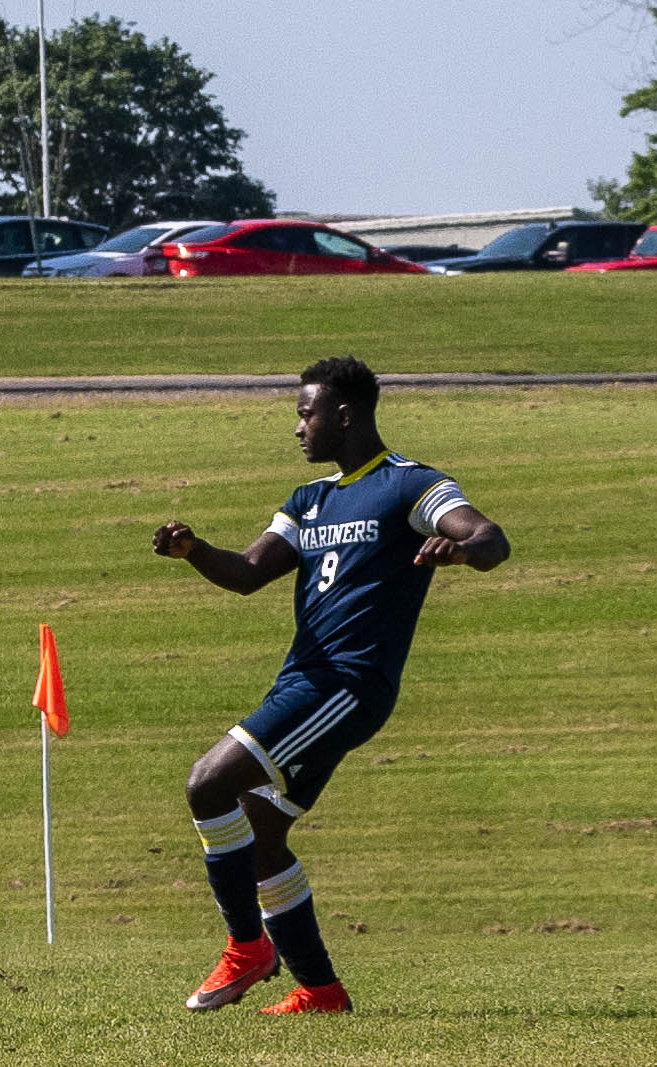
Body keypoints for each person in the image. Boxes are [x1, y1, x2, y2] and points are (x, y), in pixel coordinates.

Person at [150, 354, 507, 1016]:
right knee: (260, 832)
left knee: (207, 783)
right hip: (305, 681)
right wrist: (194, 551)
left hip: (346, 685)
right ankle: (319, 989)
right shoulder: (309, 501)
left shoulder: (410, 486)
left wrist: (461, 549)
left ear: (343, 416)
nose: (297, 428)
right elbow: (249, 572)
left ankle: (247, 947)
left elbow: (491, 537)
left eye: (304, 414)